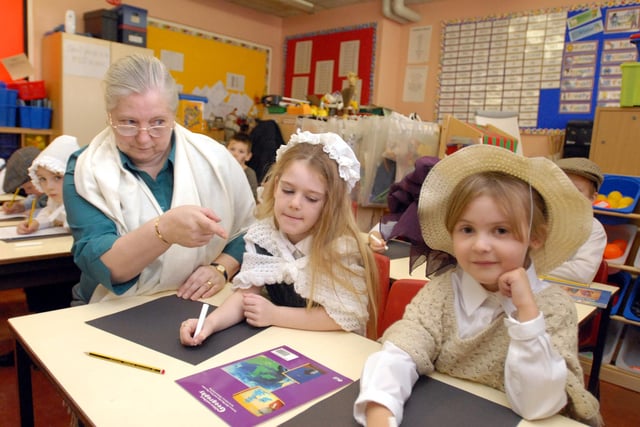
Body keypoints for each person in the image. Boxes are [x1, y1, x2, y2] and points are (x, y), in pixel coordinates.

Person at [354, 144, 602, 426]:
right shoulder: (443, 291)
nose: (481, 245)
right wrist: (380, 409)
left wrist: (526, 316)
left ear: (535, 237)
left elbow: (538, 406)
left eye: (501, 230)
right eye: (467, 229)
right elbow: (401, 351)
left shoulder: (554, 309)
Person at [63, 54, 256, 304]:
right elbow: (104, 266)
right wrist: (163, 231)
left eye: (158, 123)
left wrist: (221, 268)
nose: (144, 139)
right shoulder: (85, 169)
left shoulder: (215, 159)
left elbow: (251, 231)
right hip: (111, 306)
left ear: (174, 116)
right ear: (109, 116)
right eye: (128, 123)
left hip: (199, 301)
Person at [179, 131, 379, 345]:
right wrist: (209, 324)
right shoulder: (265, 236)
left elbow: (344, 317)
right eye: (288, 190)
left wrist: (275, 315)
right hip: (282, 343)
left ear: (331, 205)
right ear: (275, 187)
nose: (295, 203)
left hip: (330, 348)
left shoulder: (340, 248)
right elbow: (245, 296)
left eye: (311, 198)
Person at [549, 157, 607, 284]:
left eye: (576, 190)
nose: (567, 195)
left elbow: (582, 273)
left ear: (592, 198)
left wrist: (532, 265)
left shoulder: (593, 228)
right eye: (561, 188)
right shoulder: (541, 218)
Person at [16, 135, 79, 234]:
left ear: (75, 176)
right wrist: (36, 222)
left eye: (57, 177)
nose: (48, 187)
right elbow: (50, 212)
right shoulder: (57, 200)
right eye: (42, 179)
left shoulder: (85, 203)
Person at [1, 146, 46, 214]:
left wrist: (37, 213)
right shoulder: (38, 195)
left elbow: (58, 213)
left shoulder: (57, 195)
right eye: (23, 188)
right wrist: (21, 206)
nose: (27, 192)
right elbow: (33, 200)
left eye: (29, 187)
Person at [227, 132, 258, 201]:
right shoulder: (222, 169)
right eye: (232, 149)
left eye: (241, 152)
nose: (235, 154)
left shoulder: (249, 173)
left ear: (248, 156)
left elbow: (253, 197)